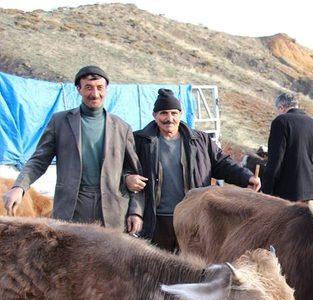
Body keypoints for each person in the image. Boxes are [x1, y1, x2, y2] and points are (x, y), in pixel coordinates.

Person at [2, 65, 143, 233]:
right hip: (72, 209)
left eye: (100, 88)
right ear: (79, 88)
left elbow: (134, 172)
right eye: (88, 88)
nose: (95, 94)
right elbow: (39, 160)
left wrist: (136, 211)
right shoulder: (60, 122)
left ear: (106, 89)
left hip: (112, 211)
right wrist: (19, 187)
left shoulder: (121, 127)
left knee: (109, 259)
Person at [125, 89, 260, 252]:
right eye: (163, 113)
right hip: (156, 220)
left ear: (180, 114)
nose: (169, 118)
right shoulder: (140, 141)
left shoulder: (200, 141)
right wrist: (127, 178)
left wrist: (246, 177)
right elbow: (125, 169)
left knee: (192, 267)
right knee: (158, 269)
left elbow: (222, 163)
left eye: (174, 113)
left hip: (192, 216)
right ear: (154, 115)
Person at [261, 92, 313, 201]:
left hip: (287, 195)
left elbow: (275, 161)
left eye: (277, 110)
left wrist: (265, 190)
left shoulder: (281, 122)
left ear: (281, 107)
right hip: (312, 195)